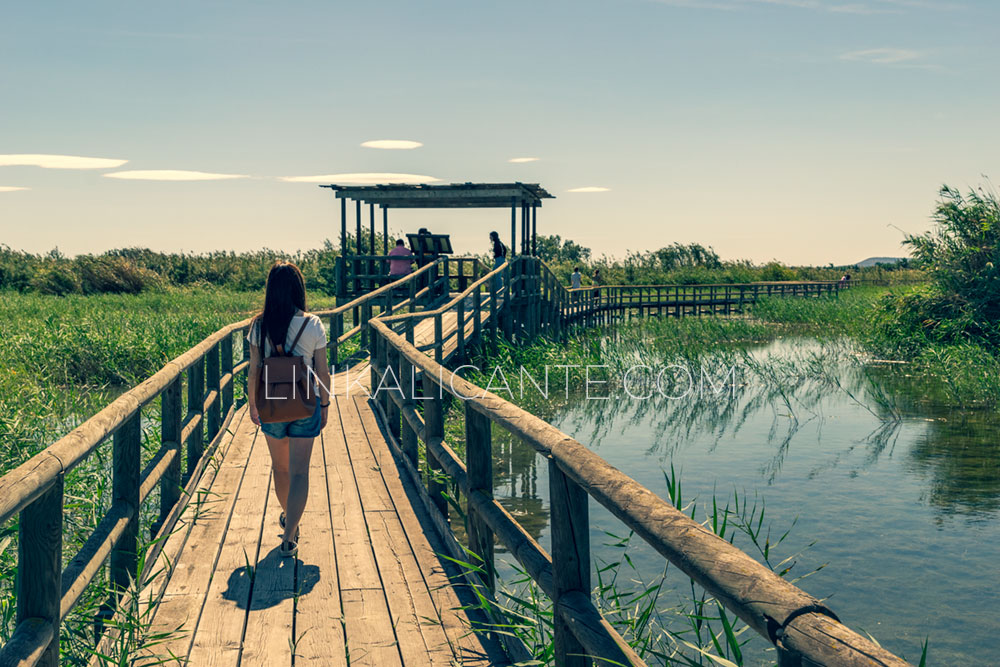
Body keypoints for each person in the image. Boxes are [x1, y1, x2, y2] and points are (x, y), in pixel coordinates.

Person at [248, 261, 331, 558]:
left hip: (270, 405)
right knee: (299, 473)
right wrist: (325, 403)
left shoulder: (259, 325)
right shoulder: (313, 324)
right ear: (298, 288)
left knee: (280, 469)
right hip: (305, 405)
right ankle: (290, 535)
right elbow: (322, 372)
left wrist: (252, 405)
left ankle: (289, 520)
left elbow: (254, 370)